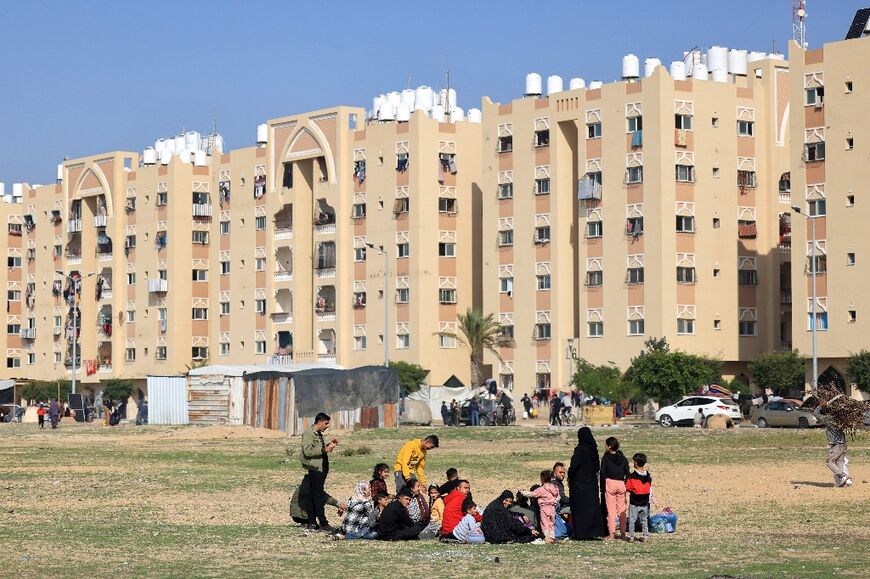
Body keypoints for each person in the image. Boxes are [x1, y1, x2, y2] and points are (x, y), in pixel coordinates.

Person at [299, 412, 339, 531]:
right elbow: (308, 451)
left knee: (314, 495)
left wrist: (329, 446)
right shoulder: (309, 433)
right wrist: (324, 449)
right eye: (326, 423)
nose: (327, 426)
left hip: (321, 468)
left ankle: (312, 522)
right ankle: (323, 523)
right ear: (320, 422)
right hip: (315, 469)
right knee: (318, 496)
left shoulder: (318, 434)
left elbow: (319, 450)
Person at [568, 427, 607, 540]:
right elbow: (596, 468)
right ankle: (594, 532)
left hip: (579, 485)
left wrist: (570, 475)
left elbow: (574, 465)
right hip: (591, 484)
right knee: (591, 508)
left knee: (580, 509)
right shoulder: (593, 450)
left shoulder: (580, 449)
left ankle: (581, 534)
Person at [814, 400, 853, 487]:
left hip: (836, 445)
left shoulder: (828, 419)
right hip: (843, 444)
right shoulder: (840, 418)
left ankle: (844, 476)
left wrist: (820, 406)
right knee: (840, 463)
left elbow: (816, 414)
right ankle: (846, 482)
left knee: (829, 462)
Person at [600, 436, 629, 540]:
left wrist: (602, 488)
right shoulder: (623, 457)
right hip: (621, 484)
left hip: (610, 484)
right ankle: (623, 533)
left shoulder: (606, 457)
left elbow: (602, 473)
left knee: (611, 511)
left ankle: (612, 534)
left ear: (610, 446)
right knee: (622, 510)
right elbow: (627, 471)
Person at [519, 470, 560, 543]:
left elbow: (532, 494)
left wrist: (523, 492)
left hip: (544, 508)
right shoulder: (555, 487)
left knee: (545, 524)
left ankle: (546, 538)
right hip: (552, 508)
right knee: (551, 523)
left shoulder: (541, 489)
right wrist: (555, 501)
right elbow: (558, 496)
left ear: (542, 479)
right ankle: (552, 537)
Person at [625, 453, 652, 543]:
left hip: (634, 502)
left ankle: (631, 536)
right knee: (644, 520)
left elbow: (628, 488)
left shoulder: (632, 477)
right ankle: (645, 536)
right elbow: (649, 486)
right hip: (644, 502)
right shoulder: (648, 476)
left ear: (635, 463)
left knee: (632, 520)